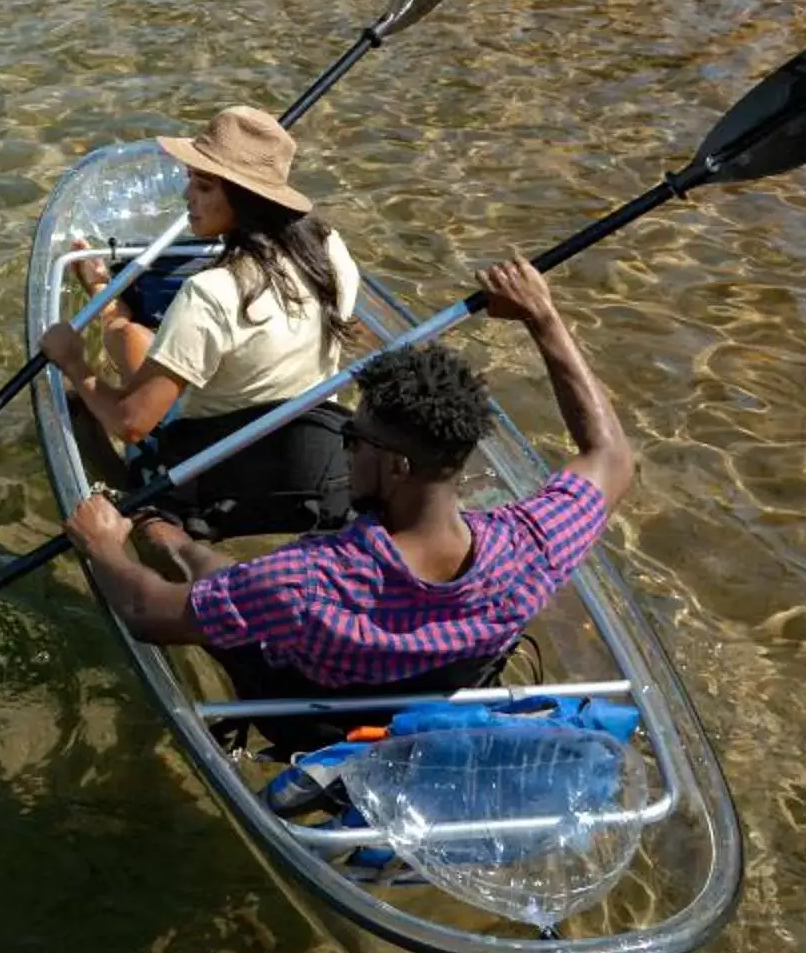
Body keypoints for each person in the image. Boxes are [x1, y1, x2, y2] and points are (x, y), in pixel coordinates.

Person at [63, 255, 631, 730]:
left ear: (398, 465)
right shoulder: (529, 546)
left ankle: (167, 536)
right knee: (216, 572)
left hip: (306, 718)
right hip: (423, 703)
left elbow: (145, 612)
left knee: (221, 583)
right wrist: (544, 318)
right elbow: (610, 455)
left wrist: (105, 545)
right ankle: (174, 538)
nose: (345, 448)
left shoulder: (308, 580)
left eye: (355, 437)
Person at [38, 105, 361, 541]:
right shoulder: (329, 250)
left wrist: (73, 361)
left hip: (212, 465)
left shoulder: (212, 292)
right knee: (137, 339)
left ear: (246, 199)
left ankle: (132, 505)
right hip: (303, 451)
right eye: (191, 178)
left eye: (204, 185)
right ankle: (104, 297)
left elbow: (131, 424)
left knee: (102, 372)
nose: (187, 195)